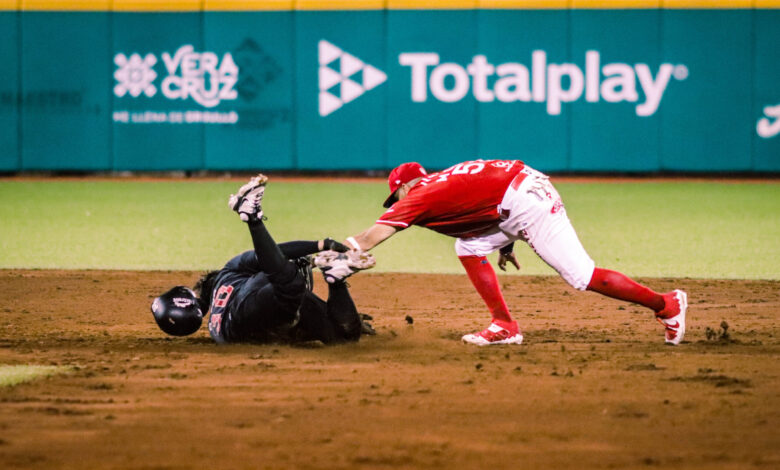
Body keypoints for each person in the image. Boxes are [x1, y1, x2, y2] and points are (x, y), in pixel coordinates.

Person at [342, 159, 688, 346]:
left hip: (525, 203)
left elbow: (372, 237)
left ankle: (666, 304)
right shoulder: (442, 180)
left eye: (395, 196)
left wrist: (336, 250)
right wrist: (505, 242)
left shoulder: (418, 195)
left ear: (403, 187)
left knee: (582, 276)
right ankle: (505, 325)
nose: (397, 202)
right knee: (469, 245)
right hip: (520, 192)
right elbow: (485, 198)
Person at [151, 174, 376, 345]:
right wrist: (320, 244)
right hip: (245, 311)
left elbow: (273, 256)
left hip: (253, 318)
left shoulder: (223, 298)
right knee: (297, 290)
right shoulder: (232, 273)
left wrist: (321, 247)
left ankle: (335, 278)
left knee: (342, 337)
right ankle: (252, 218)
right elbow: (275, 254)